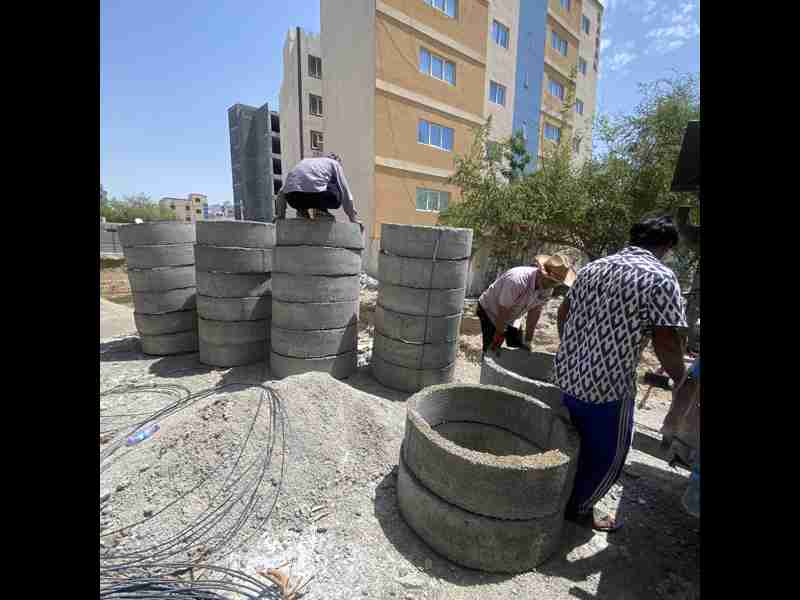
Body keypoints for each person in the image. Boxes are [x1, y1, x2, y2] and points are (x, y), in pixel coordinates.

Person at [554, 215, 688, 532]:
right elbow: (666, 340)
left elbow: (563, 313)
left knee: (567, 441)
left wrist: (575, 352)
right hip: (608, 387)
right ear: (666, 246)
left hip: (566, 376)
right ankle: (579, 509)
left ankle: (557, 496)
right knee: (607, 456)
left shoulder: (593, 267)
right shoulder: (661, 277)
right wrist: (681, 378)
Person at [477, 255, 576, 354]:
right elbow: (503, 310)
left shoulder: (548, 288)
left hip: (514, 314)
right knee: (491, 349)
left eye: (556, 283)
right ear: (541, 273)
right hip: (491, 311)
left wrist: (528, 340)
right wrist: (498, 335)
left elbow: (535, 311)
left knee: (519, 347)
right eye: (550, 281)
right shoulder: (517, 281)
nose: (552, 285)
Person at [275, 153, 364, 232]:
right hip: (319, 197)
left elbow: (282, 191)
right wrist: (353, 219)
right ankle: (321, 212)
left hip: (293, 199)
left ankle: (302, 212)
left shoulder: (304, 162)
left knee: (302, 187)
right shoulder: (334, 163)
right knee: (336, 185)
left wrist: (280, 216)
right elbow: (345, 192)